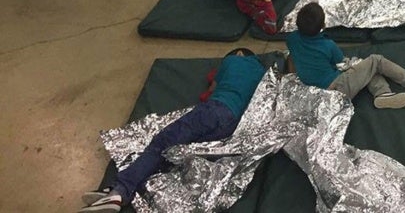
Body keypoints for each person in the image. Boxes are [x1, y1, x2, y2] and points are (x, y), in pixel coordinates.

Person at [78, 48, 266, 213]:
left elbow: (211, 89)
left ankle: (119, 191)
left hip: (213, 110)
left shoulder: (233, 60)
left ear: (239, 53)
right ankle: (117, 190)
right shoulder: (261, 72)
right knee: (176, 154)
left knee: (160, 144)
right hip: (231, 127)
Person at [287, 3, 405, 109]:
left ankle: (382, 93)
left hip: (314, 90)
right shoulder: (328, 45)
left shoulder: (291, 39)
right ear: (322, 26)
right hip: (336, 89)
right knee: (376, 61)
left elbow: (296, 58)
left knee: (366, 68)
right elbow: (341, 62)